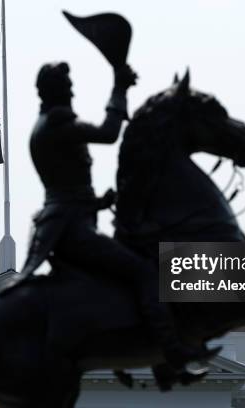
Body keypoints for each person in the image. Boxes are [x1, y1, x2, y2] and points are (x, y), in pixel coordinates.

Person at [24, 61, 214, 372]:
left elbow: (66, 190)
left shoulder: (44, 126)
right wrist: (120, 86)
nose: (72, 91)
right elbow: (109, 133)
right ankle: (171, 356)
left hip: (67, 223)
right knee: (145, 273)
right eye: (68, 86)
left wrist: (99, 203)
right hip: (72, 232)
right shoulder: (58, 126)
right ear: (58, 91)